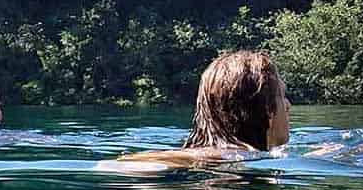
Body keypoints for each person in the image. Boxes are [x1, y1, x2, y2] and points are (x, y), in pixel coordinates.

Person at [120, 51, 291, 166]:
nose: (288, 105)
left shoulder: (254, 156)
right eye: (282, 95)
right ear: (266, 109)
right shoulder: (232, 156)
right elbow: (123, 166)